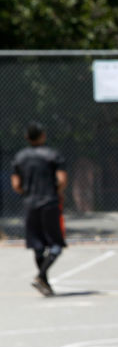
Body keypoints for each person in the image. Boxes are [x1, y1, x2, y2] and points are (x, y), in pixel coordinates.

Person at [11, 122, 68, 297]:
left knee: (37, 245)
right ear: (42, 136)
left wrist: (28, 194)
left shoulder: (20, 157)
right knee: (56, 243)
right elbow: (62, 180)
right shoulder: (52, 155)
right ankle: (41, 275)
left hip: (30, 204)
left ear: (27, 138)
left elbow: (16, 184)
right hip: (49, 202)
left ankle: (45, 281)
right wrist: (55, 193)